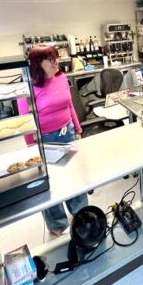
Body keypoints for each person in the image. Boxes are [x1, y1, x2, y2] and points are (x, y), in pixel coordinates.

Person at [18, 45, 88, 236]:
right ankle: (57, 224)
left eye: (56, 57)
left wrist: (78, 129)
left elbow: (70, 105)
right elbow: (26, 122)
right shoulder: (29, 88)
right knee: (52, 182)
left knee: (74, 177)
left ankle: (81, 214)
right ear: (38, 65)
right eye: (51, 59)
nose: (57, 62)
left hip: (68, 133)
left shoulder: (61, 78)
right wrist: (32, 147)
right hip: (45, 139)